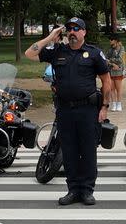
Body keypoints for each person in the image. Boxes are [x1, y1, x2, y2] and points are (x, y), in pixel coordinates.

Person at [24, 17, 111, 206]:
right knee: (69, 151)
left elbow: (106, 80)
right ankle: (73, 190)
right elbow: (29, 54)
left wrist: (104, 107)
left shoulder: (94, 53)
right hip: (65, 110)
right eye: (69, 29)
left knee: (88, 151)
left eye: (76, 28)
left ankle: (87, 191)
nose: (72, 32)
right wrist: (50, 37)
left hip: (88, 110)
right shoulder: (57, 51)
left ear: (84, 32)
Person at [106, 33, 126, 112]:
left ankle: (119, 104)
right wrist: (112, 63)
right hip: (111, 70)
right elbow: (105, 58)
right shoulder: (110, 49)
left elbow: (120, 59)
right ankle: (114, 104)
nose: (110, 42)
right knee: (111, 88)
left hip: (118, 71)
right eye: (110, 40)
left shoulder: (122, 49)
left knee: (118, 88)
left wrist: (111, 60)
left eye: (112, 40)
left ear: (117, 41)